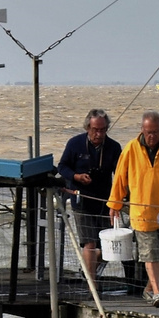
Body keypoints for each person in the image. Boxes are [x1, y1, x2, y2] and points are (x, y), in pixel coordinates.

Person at [106, 110, 159, 306]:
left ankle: (148, 289)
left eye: (155, 132)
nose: (152, 136)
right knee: (150, 253)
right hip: (141, 212)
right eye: (148, 132)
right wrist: (114, 204)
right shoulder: (131, 149)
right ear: (142, 130)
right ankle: (157, 293)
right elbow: (120, 178)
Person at [57, 108, 118, 279]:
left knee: (109, 244)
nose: (99, 134)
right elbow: (62, 167)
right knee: (89, 242)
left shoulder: (113, 147)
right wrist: (76, 176)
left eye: (103, 130)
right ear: (87, 128)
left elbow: (121, 174)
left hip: (105, 200)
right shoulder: (75, 144)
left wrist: (121, 196)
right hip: (81, 198)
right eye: (95, 130)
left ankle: (86, 271)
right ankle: (92, 284)